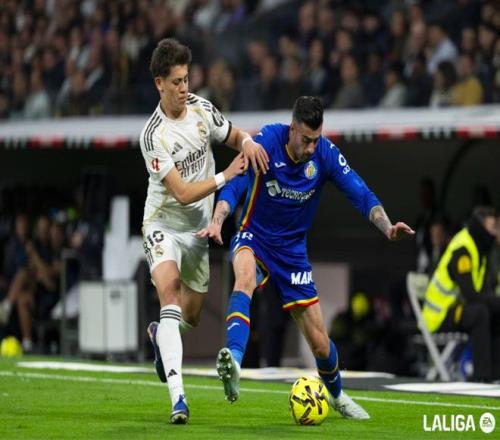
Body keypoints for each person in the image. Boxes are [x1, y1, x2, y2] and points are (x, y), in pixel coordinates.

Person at [197, 96, 414, 419]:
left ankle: (337, 397)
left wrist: (387, 227)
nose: (312, 147)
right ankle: (235, 362)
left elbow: (359, 192)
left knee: (320, 343)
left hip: (293, 253)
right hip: (255, 236)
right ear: (292, 129)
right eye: (306, 139)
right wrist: (218, 220)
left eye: (316, 139)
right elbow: (235, 185)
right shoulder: (266, 142)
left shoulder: (325, 154)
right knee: (244, 279)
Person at [139, 38, 268, 425]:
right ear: (159, 83)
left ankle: (161, 336)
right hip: (163, 224)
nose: (184, 88)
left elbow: (232, 135)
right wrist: (225, 175)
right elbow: (180, 193)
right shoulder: (153, 135)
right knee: (170, 295)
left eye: (186, 79)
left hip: (197, 231)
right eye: (176, 82)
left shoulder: (201, 109)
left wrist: (249, 142)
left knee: (190, 316)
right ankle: (178, 400)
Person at [422, 206, 500, 381]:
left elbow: (483, 290)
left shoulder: (479, 249)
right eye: (492, 227)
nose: (494, 233)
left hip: (455, 310)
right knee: (480, 313)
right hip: (438, 316)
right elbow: (470, 294)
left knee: (494, 312)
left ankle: (496, 375)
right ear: (480, 227)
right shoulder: (463, 249)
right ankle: (482, 377)